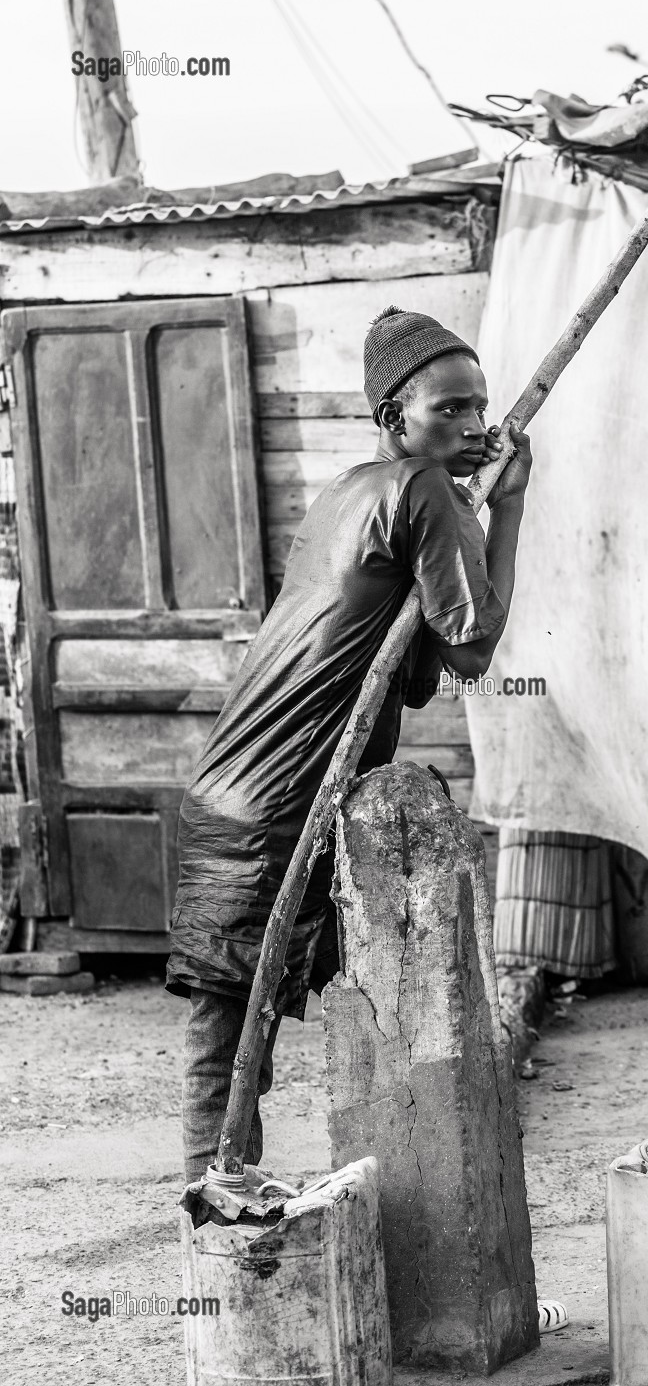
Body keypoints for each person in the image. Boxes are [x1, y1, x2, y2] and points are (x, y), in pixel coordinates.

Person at [166, 306, 532, 1182]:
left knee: (235, 1015)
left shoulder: (350, 490)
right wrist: (511, 506)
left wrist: (471, 507)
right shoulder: (421, 490)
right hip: (283, 798)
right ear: (392, 420)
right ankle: (215, 1209)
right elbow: (473, 646)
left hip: (235, 784)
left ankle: (227, 1192)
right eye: (448, 409)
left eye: (478, 407)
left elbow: (411, 668)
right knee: (234, 1021)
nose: (474, 425)